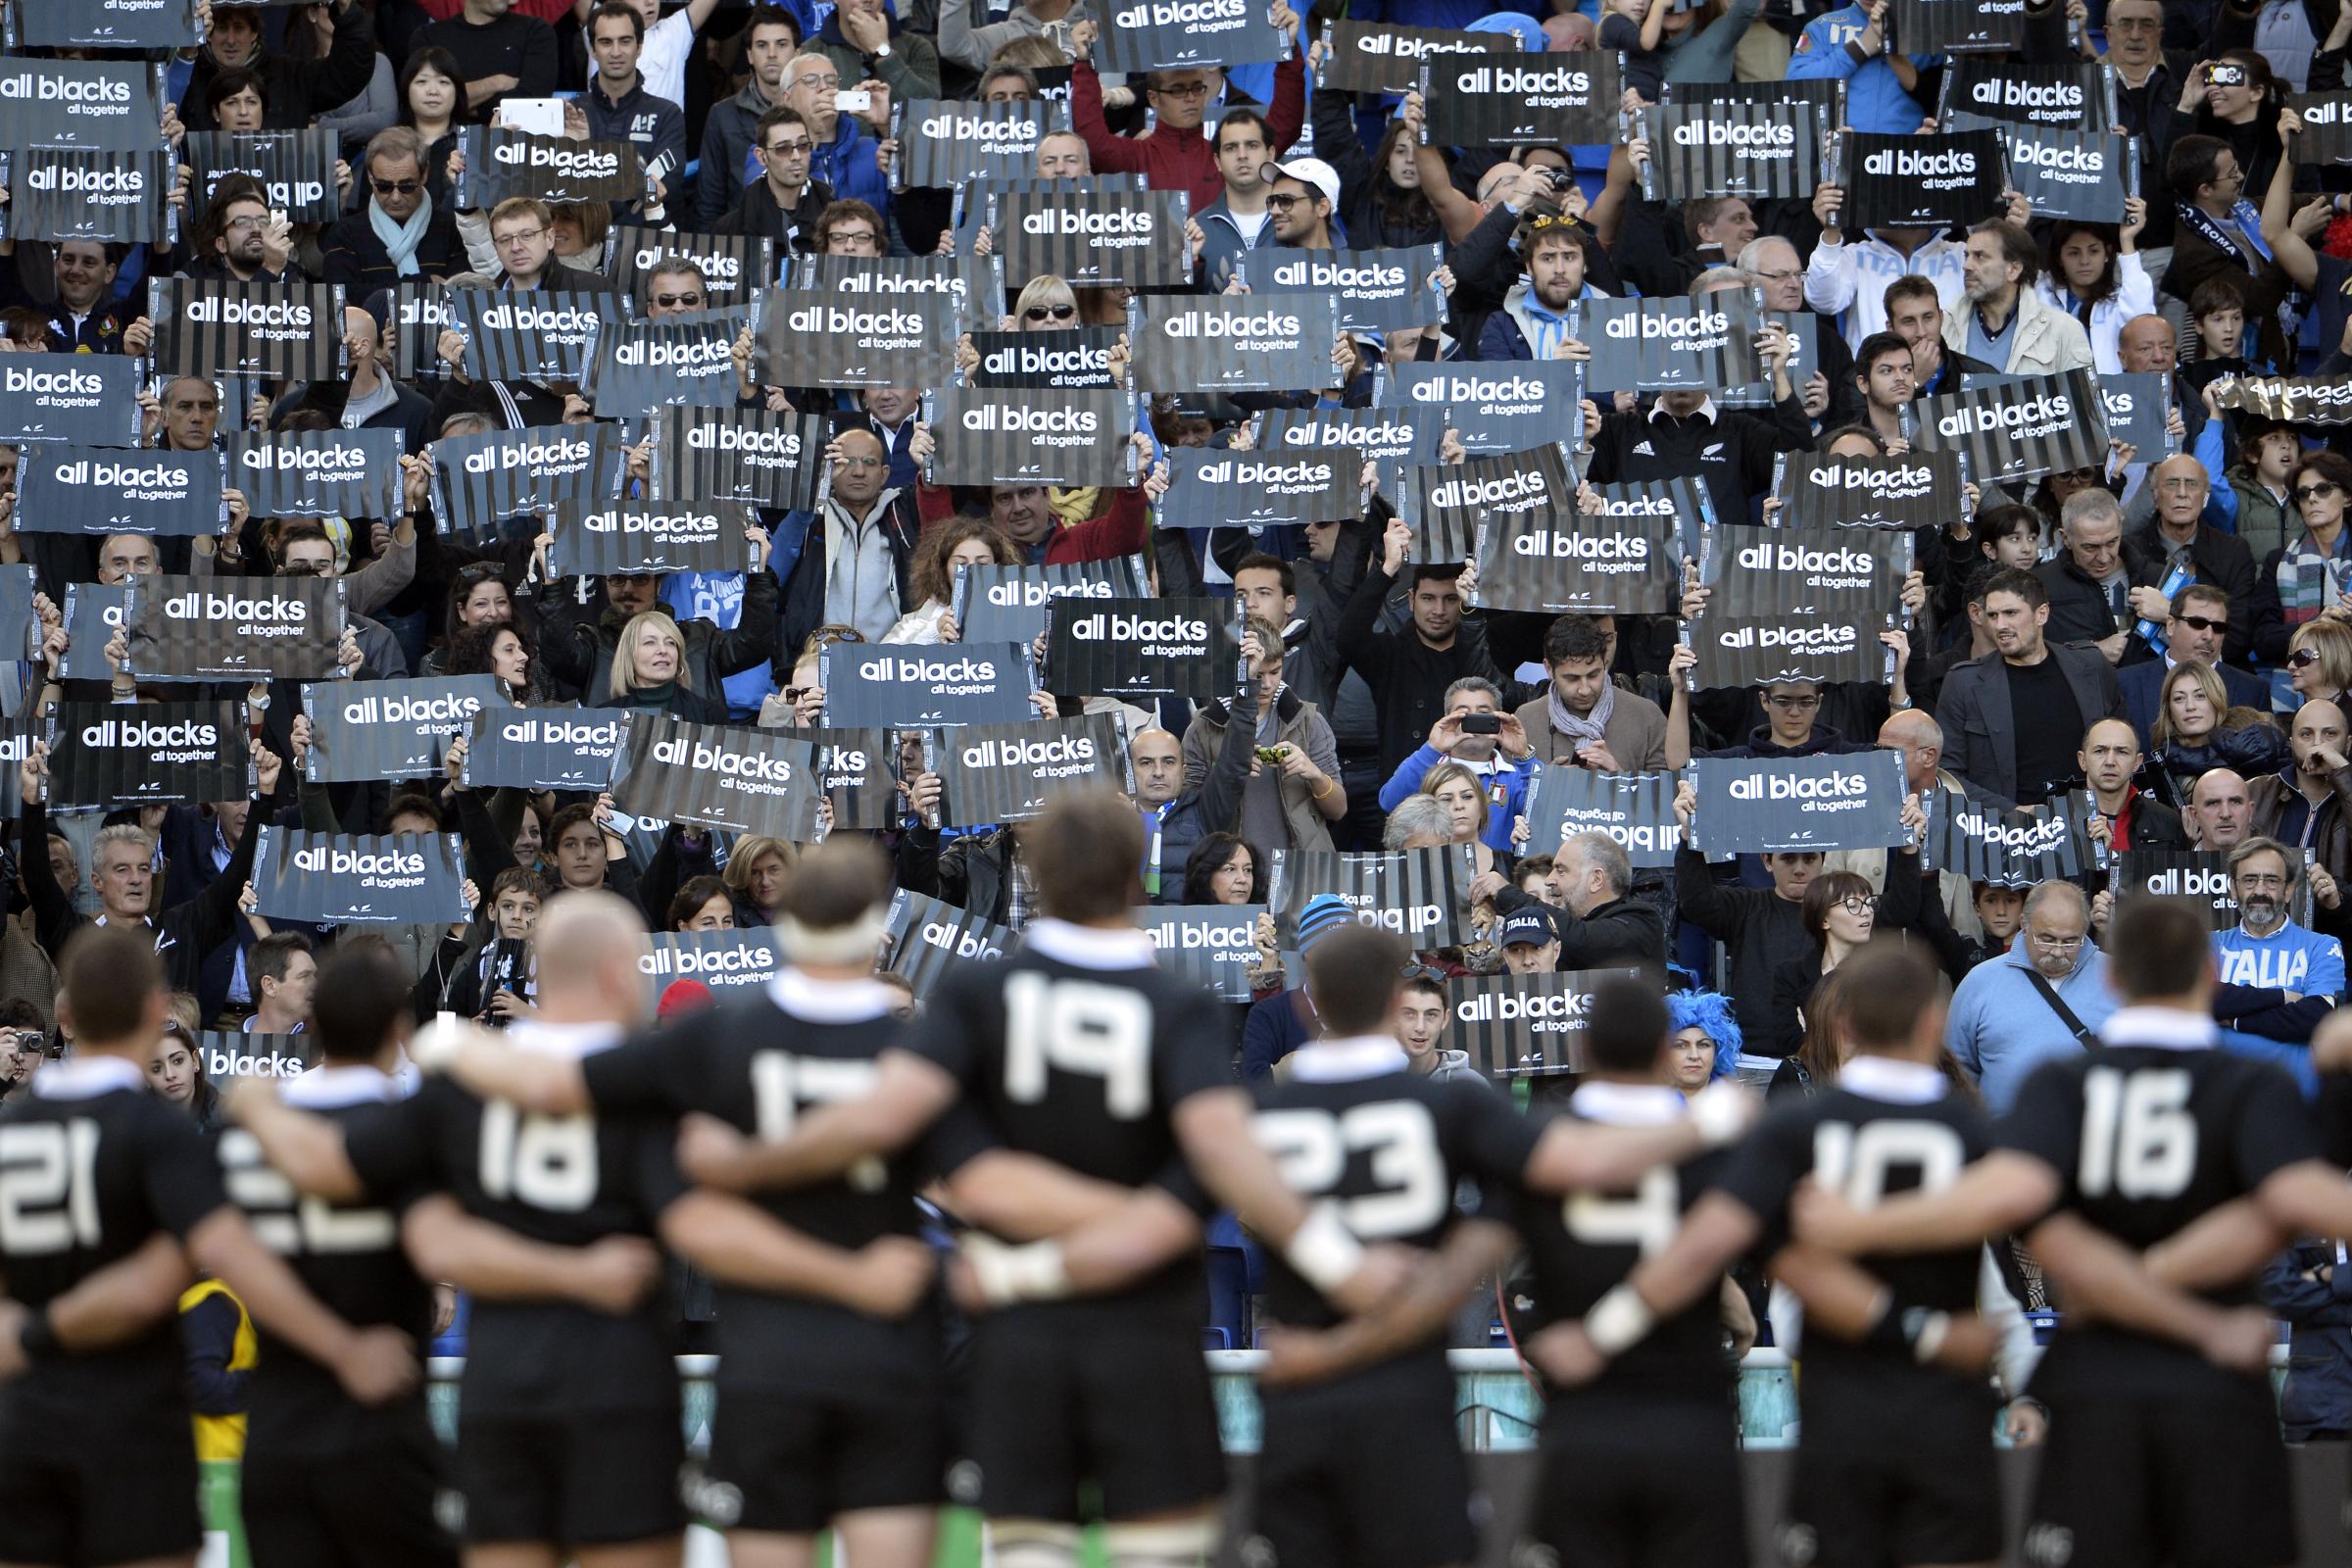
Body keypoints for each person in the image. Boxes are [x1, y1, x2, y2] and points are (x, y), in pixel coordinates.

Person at [657, 790, 1426, 1568]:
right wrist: (1336, 1260)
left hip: (1021, 1333)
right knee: (1156, 1554)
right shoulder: (1177, 1006)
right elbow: (1227, 1155)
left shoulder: (977, 996)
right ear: (1137, 876)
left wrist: (746, 1162)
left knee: (1031, 1550)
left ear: (1038, 877)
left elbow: (888, 1117)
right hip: (1145, 1336)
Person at [411, 844, 965, 1568]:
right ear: (879, 934)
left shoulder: (714, 1042)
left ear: (788, 928)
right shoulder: (932, 1054)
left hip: (753, 1359)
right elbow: (979, 1191)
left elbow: (553, 1088)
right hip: (878, 1354)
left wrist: (452, 1050)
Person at [1793, 893, 2352, 1568]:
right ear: (2210, 976)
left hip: (2098, 1385)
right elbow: (2299, 1199)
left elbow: (2011, 1196)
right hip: (2219, 1387)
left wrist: (1861, 1224)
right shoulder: (2254, 1084)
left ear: (2114, 977)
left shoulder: (2062, 1084)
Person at [226, 896, 708, 1566]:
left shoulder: (457, 1089)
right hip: (621, 1385)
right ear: (619, 974)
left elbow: (339, 1173)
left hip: (504, 1389)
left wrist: (257, 1105)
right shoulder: (660, 1080)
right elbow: (704, 1219)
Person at [1530, 942, 2007, 1568]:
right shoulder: (1976, 1131)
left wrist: (1603, 1332)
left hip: (1838, 1416)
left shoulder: (1793, 1130)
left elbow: (1708, 1244)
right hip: (1947, 1418)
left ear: (1843, 1025)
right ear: (1934, 1022)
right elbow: (2042, 1226)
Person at [0, 928, 422, 1568]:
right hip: (133, 1425)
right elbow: (228, 1253)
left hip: (23, 1421)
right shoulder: (156, 1130)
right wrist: (344, 1347)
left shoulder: (10, 1129)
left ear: (64, 1018)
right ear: (155, 1010)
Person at [1935, 567, 2128, 804]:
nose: (2000, 625)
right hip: (2006, 823)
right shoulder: (1963, 683)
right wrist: (2013, 813)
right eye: (1993, 615)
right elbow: (1947, 775)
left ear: (2042, 614)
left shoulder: (2091, 666)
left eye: (2010, 613)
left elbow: (2124, 745)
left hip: (2092, 817)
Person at [1338, 515, 1504, 780]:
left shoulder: (1483, 655)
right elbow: (1348, 637)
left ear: (1464, 600)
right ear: (1411, 600)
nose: (1438, 610)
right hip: (1404, 794)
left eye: (1450, 599)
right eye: (1428, 598)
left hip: (1470, 794)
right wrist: (1389, 568)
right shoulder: (1390, 655)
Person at [1944, 880, 2113, 1113]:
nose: (2057, 951)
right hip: (2002, 1132)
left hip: (2092, 1132)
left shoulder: (2117, 979)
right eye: (2046, 939)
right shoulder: (1979, 982)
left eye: (2070, 941)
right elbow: (1955, 1075)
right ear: (2024, 924)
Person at [2212, 837, 2344, 1066]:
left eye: (2272, 881)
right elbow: (2201, 1001)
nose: (2260, 890)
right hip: (2219, 1085)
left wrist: (2235, 1020)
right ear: (2233, 888)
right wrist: (2282, 997)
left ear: (2289, 890)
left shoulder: (2322, 946)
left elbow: (2318, 1017)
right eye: (2249, 880)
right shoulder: (2208, 944)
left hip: (2295, 1085)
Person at [2116, 582, 2270, 752]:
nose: (2209, 636)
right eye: (2197, 623)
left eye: (2219, 627)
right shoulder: (2125, 683)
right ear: (2170, 625)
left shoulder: (2253, 690)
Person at [1512, 615, 1668, 774]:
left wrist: (1617, 777)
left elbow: (1664, 788)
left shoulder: (1646, 715)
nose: (1585, 689)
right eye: (1572, 678)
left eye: (1593, 675)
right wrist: (1547, 782)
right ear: (1549, 669)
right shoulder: (1525, 719)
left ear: (1605, 663)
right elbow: (1507, 785)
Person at [321, 126, 463, 296]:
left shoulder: (451, 229)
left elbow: (462, 296)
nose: (395, 197)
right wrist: (424, 283)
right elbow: (340, 296)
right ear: (370, 177)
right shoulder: (345, 233)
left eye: (406, 186)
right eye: (384, 186)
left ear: (424, 174)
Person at [1396, 966, 1487, 1086]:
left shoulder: (1473, 1085)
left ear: (1445, 1019)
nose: (1420, 1027)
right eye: (1409, 1014)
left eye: (1431, 1015)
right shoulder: (1374, 1082)